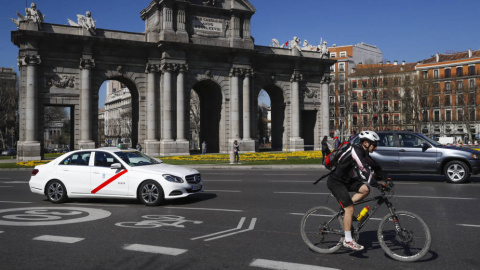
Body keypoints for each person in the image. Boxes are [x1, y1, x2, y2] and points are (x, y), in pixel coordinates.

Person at [326, 130, 383, 251]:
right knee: (350, 208)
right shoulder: (356, 150)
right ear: (366, 143)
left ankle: (345, 209)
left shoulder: (363, 152)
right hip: (336, 182)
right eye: (375, 144)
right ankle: (348, 240)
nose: (376, 147)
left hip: (347, 181)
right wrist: (376, 184)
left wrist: (386, 177)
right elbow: (363, 168)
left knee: (365, 189)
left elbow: (374, 166)